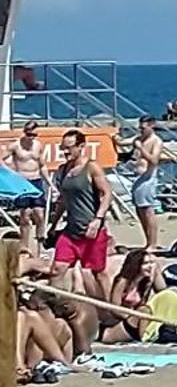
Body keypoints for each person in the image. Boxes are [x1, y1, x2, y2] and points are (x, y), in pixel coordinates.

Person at [50, 129, 114, 299]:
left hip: (92, 231)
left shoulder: (91, 167)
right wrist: (54, 224)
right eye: (63, 148)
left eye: (69, 148)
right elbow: (63, 200)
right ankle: (51, 306)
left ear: (81, 146)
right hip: (71, 231)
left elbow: (107, 193)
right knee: (57, 269)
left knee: (98, 273)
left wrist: (97, 219)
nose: (65, 152)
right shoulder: (63, 170)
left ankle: (112, 307)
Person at [6, 120, 47, 254]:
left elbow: (42, 165)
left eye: (34, 135)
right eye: (29, 135)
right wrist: (11, 173)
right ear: (24, 133)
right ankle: (24, 247)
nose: (32, 138)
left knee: (40, 215)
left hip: (36, 180)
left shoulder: (39, 145)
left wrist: (49, 182)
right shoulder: (16, 146)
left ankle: (41, 244)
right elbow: (2, 159)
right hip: (22, 182)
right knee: (25, 215)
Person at [130, 113, 164, 249]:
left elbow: (154, 160)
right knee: (139, 210)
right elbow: (125, 142)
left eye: (143, 128)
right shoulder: (139, 139)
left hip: (148, 177)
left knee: (148, 210)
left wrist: (141, 148)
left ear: (151, 126)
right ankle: (148, 240)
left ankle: (153, 242)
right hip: (138, 177)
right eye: (140, 128)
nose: (141, 131)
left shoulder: (156, 141)